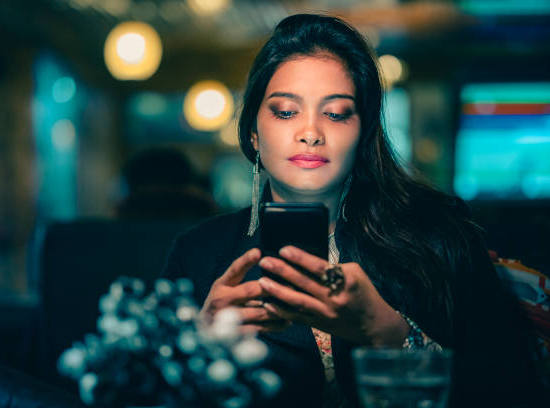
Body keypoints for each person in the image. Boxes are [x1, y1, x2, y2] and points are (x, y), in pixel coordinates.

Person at [162, 13, 548, 408]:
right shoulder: (198, 253)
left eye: (335, 113)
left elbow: (511, 391)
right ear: (254, 133)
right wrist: (198, 349)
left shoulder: (438, 233)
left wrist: (392, 334)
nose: (311, 132)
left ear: (362, 132)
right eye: (285, 111)